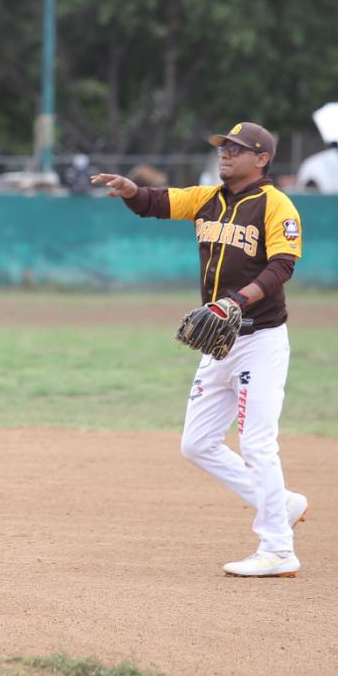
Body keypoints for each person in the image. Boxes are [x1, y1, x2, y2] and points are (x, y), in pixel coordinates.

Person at [91, 122, 308, 578]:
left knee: (257, 443)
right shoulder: (209, 199)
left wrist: (237, 300)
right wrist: (132, 190)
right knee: (197, 444)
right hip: (221, 340)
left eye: (236, 149)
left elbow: (282, 266)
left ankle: (278, 548)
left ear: (262, 158)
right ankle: (279, 503)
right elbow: (157, 203)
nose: (225, 154)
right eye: (223, 148)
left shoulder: (275, 205)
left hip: (261, 340)